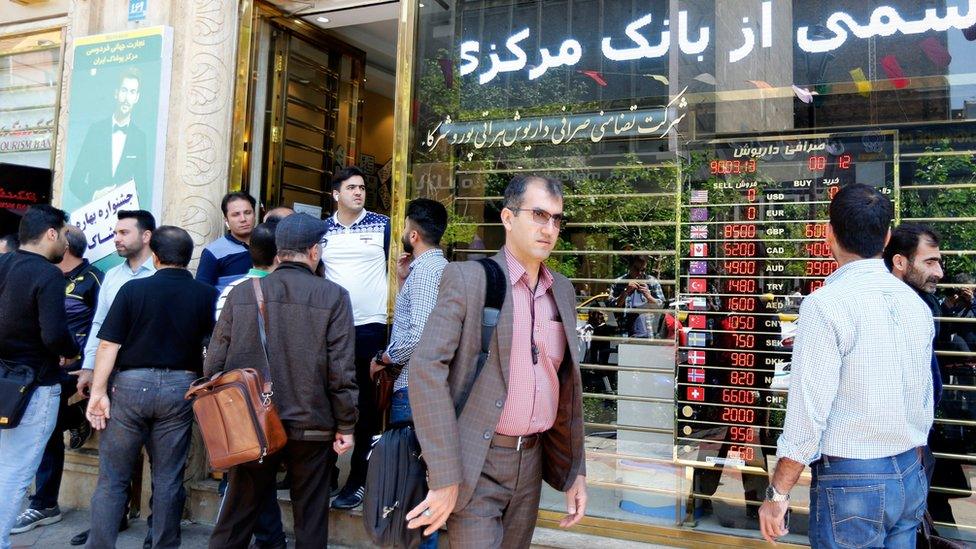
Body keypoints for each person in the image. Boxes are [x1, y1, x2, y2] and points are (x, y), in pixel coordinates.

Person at [407, 175, 587, 547]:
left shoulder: (563, 291)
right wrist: (443, 474)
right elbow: (426, 370)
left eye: (557, 219)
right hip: (477, 460)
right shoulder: (469, 279)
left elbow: (567, 386)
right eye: (539, 215)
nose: (549, 228)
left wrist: (575, 472)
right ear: (507, 218)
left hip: (532, 462)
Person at [759, 184, 934, 547]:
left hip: (854, 478)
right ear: (886, 237)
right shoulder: (915, 304)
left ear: (828, 234)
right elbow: (925, 396)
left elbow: (808, 413)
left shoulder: (825, 306)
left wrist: (778, 494)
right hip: (909, 471)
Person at [206, 213, 358, 549]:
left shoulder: (243, 292)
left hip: (252, 424)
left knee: (235, 518)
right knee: (311, 521)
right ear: (315, 251)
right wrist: (346, 425)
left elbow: (214, 364)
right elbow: (341, 371)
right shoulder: (334, 296)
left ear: (279, 252)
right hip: (312, 425)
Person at [85, 226, 217, 549]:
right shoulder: (205, 294)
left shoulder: (132, 291)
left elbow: (108, 345)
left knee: (113, 477)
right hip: (181, 387)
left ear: (155, 256)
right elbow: (211, 346)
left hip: (130, 385)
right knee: (169, 477)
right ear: (187, 259)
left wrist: (98, 392)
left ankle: (99, 544)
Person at [71, 209, 156, 547]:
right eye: (115, 233)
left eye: (123, 232)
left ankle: (157, 530)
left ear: (146, 236)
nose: (116, 239)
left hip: (155, 374)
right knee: (114, 463)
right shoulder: (112, 276)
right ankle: (107, 525)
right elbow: (99, 324)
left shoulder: (164, 273)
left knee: (160, 463)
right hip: (114, 375)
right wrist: (91, 367)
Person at [12, 226, 103, 535]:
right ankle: (74, 418)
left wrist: (87, 365)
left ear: (65, 248)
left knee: (47, 434)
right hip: (36, 369)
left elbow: (100, 326)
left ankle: (44, 503)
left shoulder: (93, 279)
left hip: (72, 367)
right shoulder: (41, 274)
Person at [368, 198, 448, 548]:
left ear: (413, 235)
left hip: (414, 391)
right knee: (419, 484)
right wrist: (403, 281)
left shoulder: (427, 273)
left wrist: (385, 357)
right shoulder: (435, 270)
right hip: (426, 391)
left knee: (412, 486)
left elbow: (418, 334)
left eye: (403, 227)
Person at [0, 205, 78, 549]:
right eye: (63, 233)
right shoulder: (47, 274)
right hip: (34, 386)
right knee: (16, 474)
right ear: (50, 234)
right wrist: (72, 349)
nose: (65, 240)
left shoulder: (2, 264)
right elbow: (54, 335)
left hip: (4, 380)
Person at [211, 220, 287, 549]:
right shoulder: (294, 293)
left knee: (250, 474)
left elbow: (217, 350)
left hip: (241, 401)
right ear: (281, 255)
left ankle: (269, 539)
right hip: (284, 399)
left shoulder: (232, 291)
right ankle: (271, 539)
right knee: (261, 476)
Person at [321, 166, 390, 510]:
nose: (359, 192)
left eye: (362, 187)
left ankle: (358, 480)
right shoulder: (323, 231)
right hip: (331, 328)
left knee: (363, 406)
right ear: (336, 194)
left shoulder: (383, 225)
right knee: (327, 400)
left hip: (371, 326)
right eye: (351, 188)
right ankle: (324, 474)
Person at [66, 68, 149, 204]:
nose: (127, 98)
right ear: (116, 93)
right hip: (94, 217)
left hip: (123, 220)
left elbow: (143, 190)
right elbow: (75, 181)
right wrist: (94, 196)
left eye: (132, 92)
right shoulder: (96, 131)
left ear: (137, 97)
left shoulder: (140, 137)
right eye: (124, 90)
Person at [196, 192, 256, 293]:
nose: (243, 219)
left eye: (247, 213)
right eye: (236, 215)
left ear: (254, 214)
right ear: (226, 220)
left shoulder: (268, 245)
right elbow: (202, 293)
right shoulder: (213, 252)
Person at [609, 255, 665, 338]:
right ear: (629, 266)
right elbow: (611, 308)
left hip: (647, 333)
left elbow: (661, 307)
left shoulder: (652, 282)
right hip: (624, 333)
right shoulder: (618, 283)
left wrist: (649, 296)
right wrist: (625, 292)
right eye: (636, 269)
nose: (639, 273)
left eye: (643, 270)